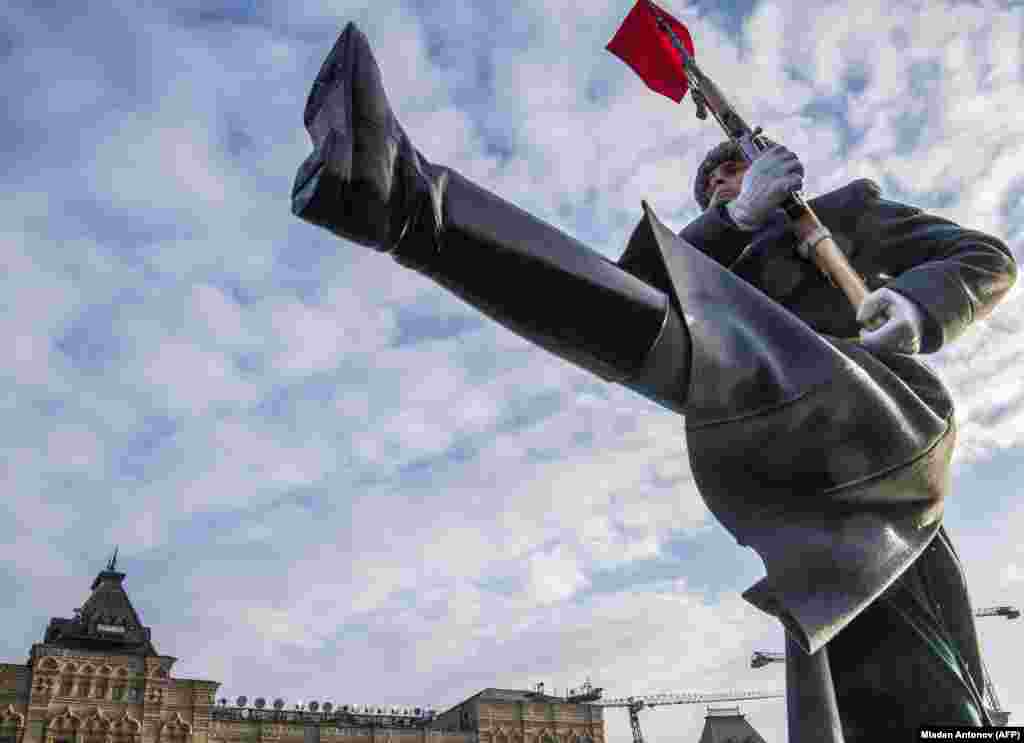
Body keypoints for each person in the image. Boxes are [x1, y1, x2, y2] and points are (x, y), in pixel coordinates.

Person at [291, 23, 1018, 741]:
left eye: (728, 173)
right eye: (709, 191)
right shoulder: (716, 257)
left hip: (884, 431)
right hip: (804, 507)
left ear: (772, 164)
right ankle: (394, 198)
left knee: (725, 357)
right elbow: (615, 291)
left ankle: (411, 205)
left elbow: (983, 255)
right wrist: (734, 219)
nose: (716, 190)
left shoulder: (848, 215)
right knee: (886, 701)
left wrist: (920, 306)